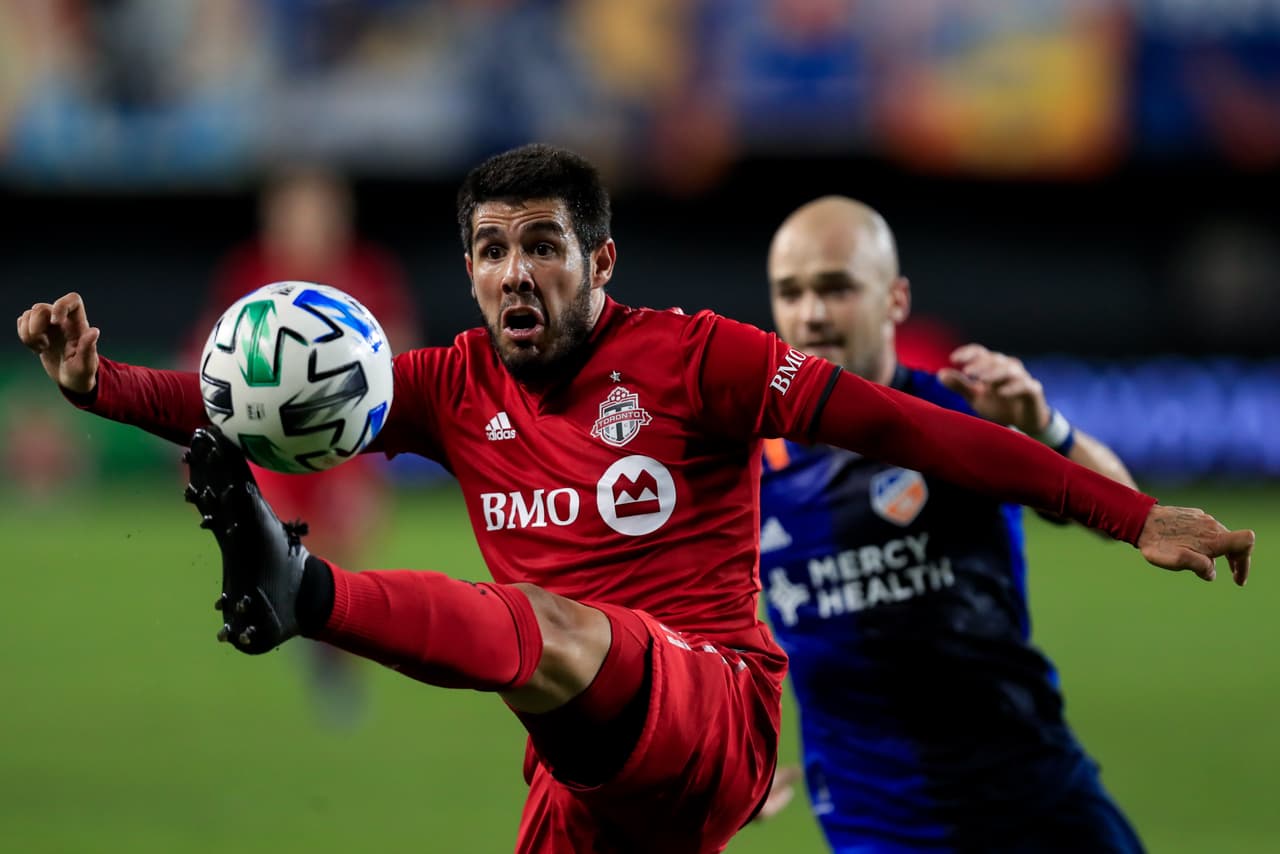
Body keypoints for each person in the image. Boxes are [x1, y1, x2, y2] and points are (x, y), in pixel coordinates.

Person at [17, 145, 1252, 854]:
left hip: (712, 707)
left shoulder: (697, 358)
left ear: (597, 260)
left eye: (541, 245)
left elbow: (908, 425)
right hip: (582, 769)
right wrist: (99, 386)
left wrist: (1126, 511)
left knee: (555, 627)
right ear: (468, 268)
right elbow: (253, 403)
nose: (515, 271)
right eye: (491, 249)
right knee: (555, 645)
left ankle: (309, 593)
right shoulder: (449, 386)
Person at [756, 195, 1145, 850]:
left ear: (896, 299)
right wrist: (721, 757)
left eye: (836, 288)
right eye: (790, 293)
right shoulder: (748, 461)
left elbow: (1121, 512)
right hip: (874, 822)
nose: (811, 314)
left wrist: (1043, 429)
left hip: (1031, 792)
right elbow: (693, 619)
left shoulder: (961, 414)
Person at [190, 166, 421, 724]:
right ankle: (303, 629)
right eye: (296, 213)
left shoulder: (365, 273)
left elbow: (400, 342)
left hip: (344, 444)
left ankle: (332, 649)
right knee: (287, 542)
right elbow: (215, 347)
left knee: (348, 545)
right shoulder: (252, 275)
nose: (308, 225)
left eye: (319, 213)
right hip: (271, 441)